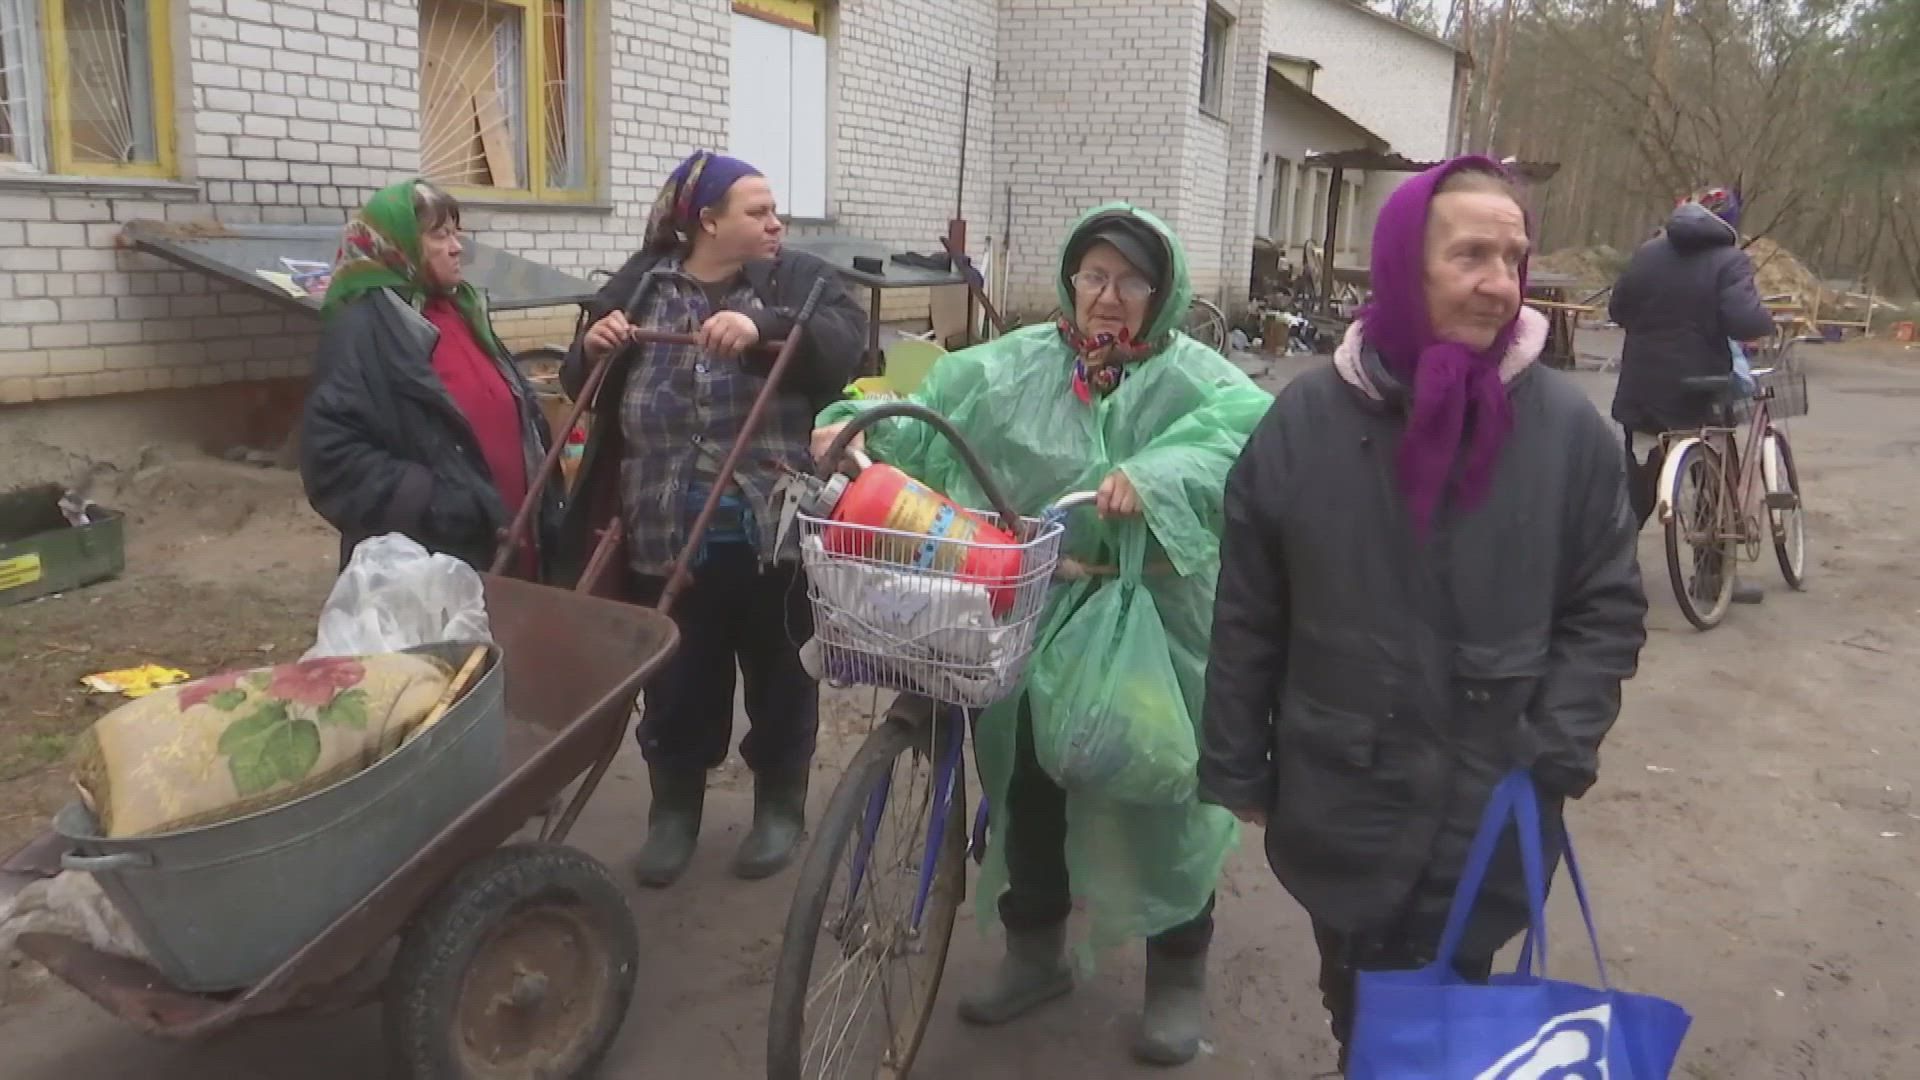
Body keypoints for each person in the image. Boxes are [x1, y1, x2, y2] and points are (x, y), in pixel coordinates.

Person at [1199, 158, 1648, 1073]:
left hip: (1492, 800)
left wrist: (1556, 751)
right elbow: (1250, 607)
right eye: (1471, 255)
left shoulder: (1568, 434)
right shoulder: (1305, 422)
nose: (1500, 284)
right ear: (1406, 265)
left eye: (1513, 258)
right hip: (1342, 791)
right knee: (1358, 1000)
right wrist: (1237, 759)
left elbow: (1605, 609)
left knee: (1448, 1018)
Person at [813, 204, 1272, 1066]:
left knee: (1162, 784)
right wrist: (852, 418)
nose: (1109, 296)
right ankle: (1035, 953)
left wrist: (1158, 474)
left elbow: (1245, 436)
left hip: (1151, 615)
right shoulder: (1016, 359)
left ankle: (1177, 971)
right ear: (1070, 281)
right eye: (1094, 276)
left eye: (1131, 280)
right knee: (1024, 783)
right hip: (1032, 602)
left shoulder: (1200, 376)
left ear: (1164, 292)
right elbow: (922, 393)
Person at [557, 150, 866, 888]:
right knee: (676, 682)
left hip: (769, 535)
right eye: (758, 212)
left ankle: (779, 805)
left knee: (781, 675)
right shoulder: (644, 286)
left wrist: (762, 325)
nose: (776, 223)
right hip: (663, 528)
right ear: (708, 222)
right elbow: (582, 384)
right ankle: (674, 811)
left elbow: (845, 343)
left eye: (775, 210)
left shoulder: (795, 279)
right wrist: (592, 349)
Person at [301, 179, 559, 577]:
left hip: (506, 548)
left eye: (456, 233)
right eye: (440, 235)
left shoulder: (461, 311)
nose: (457, 248)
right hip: (430, 567)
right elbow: (332, 460)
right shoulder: (362, 329)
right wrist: (440, 504)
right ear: (397, 244)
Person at [1609, 187, 1775, 543]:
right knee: (1713, 474)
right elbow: (1744, 322)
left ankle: (1611, 556)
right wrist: (1766, 323)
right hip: (1699, 390)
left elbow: (1618, 310)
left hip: (1642, 388)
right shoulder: (1730, 260)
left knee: (1637, 484)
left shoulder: (1647, 253)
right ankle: (1711, 565)